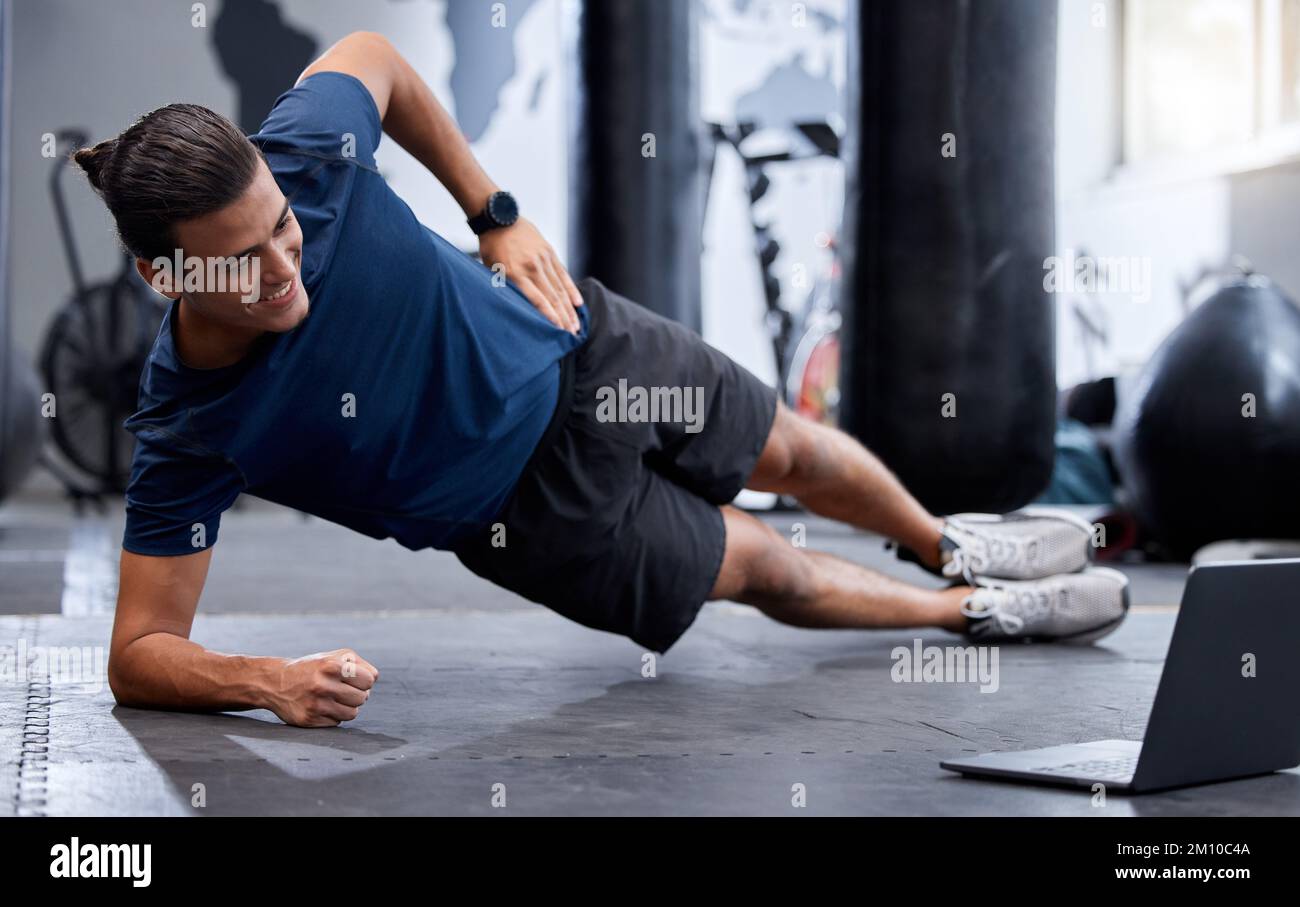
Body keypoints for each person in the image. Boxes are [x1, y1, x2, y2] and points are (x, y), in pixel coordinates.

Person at [84, 33, 1128, 728]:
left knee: (797, 450)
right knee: (769, 567)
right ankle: (970, 613)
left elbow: (374, 60)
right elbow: (139, 651)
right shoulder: (190, 426)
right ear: (162, 272)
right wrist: (263, 681)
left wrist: (493, 213)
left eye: (283, 227)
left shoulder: (303, 154)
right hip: (536, 515)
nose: (286, 267)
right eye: (244, 260)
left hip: (579, 347)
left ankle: (949, 538)